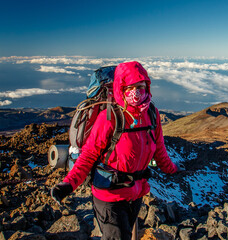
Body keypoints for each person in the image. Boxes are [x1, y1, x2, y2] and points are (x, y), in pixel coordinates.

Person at [51, 61, 184, 240]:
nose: (136, 93)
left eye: (141, 86)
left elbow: (159, 150)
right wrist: (67, 185)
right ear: (121, 88)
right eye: (131, 88)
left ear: (148, 86)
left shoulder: (152, 114)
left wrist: (173, 169)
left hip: (135, 193)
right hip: (109, 196)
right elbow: (88, 155)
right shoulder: (110, 117)